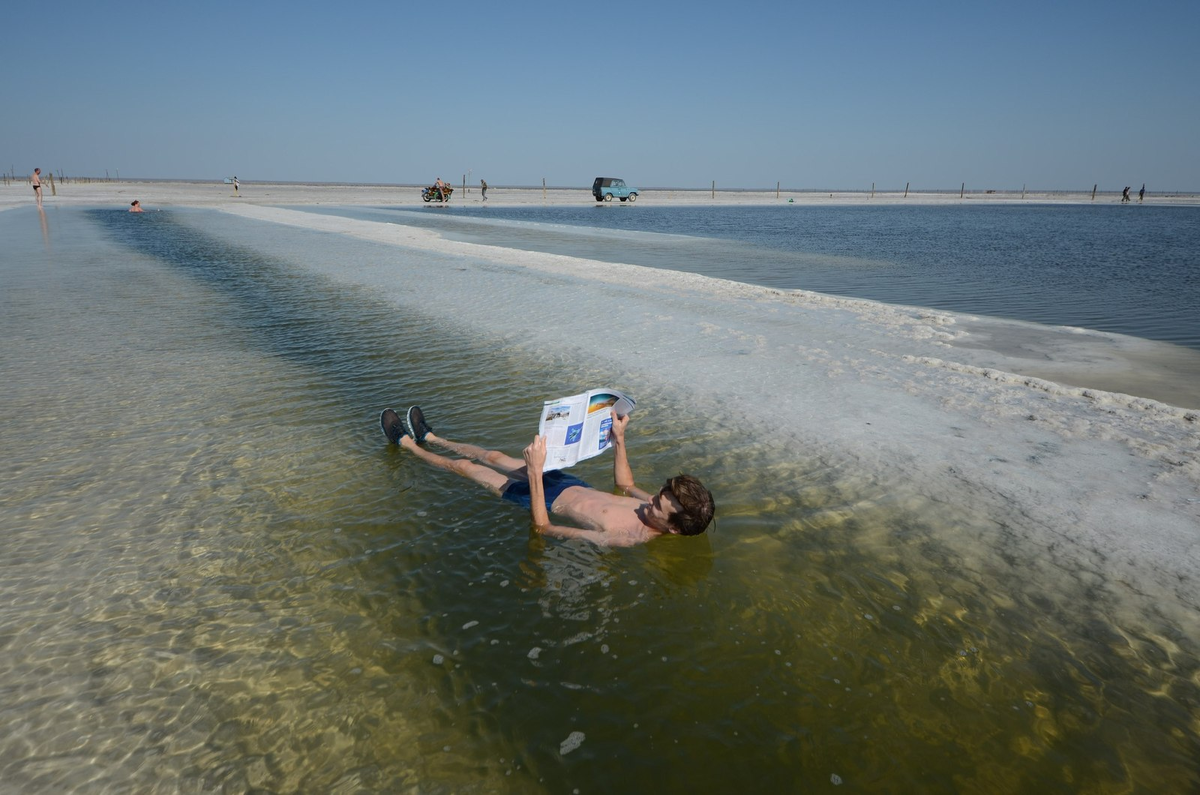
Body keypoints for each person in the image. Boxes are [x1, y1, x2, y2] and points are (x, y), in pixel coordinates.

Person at [380, 405, 715, 547]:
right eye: (659, 493)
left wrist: (536, 475)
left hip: (544, 498)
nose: (651, 499)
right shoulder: (655, 507)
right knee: (494, 456)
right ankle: (433, 438)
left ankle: (406, 443)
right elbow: (625, 486)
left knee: (467, 468)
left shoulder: (626, 538)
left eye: (659, 503)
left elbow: (543, 528)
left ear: (672, 528)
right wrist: (620, 438)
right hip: (569, 483)